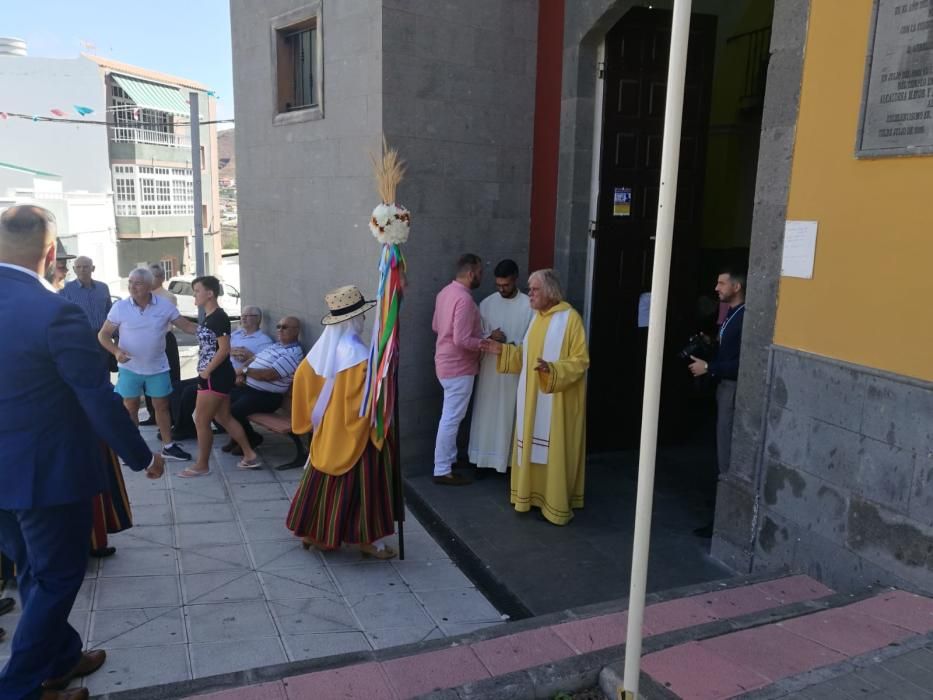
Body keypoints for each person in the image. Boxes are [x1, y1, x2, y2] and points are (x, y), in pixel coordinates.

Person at [0, 204, 164, 700]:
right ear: (52, 253)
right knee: (57, 577)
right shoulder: (56, 312)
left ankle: (61, 658)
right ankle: (20, 689)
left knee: (33, 569)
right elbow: (95, 396)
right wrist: (142, 455)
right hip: (44, 476)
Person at [286, 285, 397, 559]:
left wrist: (314, 410)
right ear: (351, 319)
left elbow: (303, 376)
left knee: (324, 478)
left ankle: (317, 533)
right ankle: (367, 540)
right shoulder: (356, 354)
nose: (363, 321)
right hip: (354, 430)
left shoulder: (327, 347)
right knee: (363, 484)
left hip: (330, 427)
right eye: (360, 316)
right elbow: (365, 397)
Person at [480, 269, 589, 526]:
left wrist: (553, 370)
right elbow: (527, 357)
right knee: (529, 445)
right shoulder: (537, 319)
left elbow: (580, 361)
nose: (530, 294)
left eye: (535, 289)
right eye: (529, 288)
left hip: (557, 401)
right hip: (532, 399)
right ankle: (529, 496)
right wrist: (503, 351)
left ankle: (554, 504)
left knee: (553, 449)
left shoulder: (570, 319)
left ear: (550, 291)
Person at [98, 267, 195, 462]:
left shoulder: (164, 306)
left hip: (157, 367)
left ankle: (168, 446)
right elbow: (103, 334)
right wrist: (116, 351)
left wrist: (215, 331)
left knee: (162, 406)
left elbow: (187, 326)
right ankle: (134, 447)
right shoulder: (120, 307)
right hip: (130, 368)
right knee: (130, 406)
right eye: (130, 283)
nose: (132, 287)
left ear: (150, 286)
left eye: (138, 283)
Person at [177, 275, 261, 477]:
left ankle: (202, 465)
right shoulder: (210, 317)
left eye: (197, 291)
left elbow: (224, 349)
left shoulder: (219, 318)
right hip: (216, 375)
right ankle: (249, 455)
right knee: (223, 417)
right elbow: (203, 339)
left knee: (200, 420)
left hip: (214, 377)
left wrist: (205, 373)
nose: (194, 295)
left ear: (210, 293)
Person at [688, 267, 747, 536]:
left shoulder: (745, 316)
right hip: (723, 388)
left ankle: (722, 522)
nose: (716, 288)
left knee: (726, 452)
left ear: (736, 287)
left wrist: (709, 367)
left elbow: (743, 362)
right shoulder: (730, 314)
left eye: (722, 283)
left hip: (731, 389)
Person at [467, 259, 534, 475]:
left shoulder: (528, 305)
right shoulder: (486, 304)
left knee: (509, 414)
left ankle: (507, 462)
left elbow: (532, 338)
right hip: (490, 370)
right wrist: (489, 336)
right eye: (498, 285)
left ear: (516, 278)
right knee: (486, 413)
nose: (501, 289)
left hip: (514, 370)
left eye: (505, 285)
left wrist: (512, 345)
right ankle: (483, 459)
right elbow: (475, 334)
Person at [171, 305, 274, 441]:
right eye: (242, 315)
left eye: (248, 315)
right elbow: (222, 348)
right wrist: (231, 351)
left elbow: (263, 362)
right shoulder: (236, 334)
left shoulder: (264, 341)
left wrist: (249, 356)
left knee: (190, 392)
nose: (243, 318)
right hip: (218, 371)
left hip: (234, 378)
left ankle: (185, 429)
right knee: (176, 387)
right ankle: (183, 426)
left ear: (258, 319)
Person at [431, 253, 485, 486]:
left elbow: (436, 326)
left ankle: (449, 460)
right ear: (471, 273)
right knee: (452, 418)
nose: (482, 276)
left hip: (445, 362)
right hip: (459, 366)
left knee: (452, 416)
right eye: (480, 272)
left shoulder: (445, 292)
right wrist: (486, 343)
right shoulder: (464, 299)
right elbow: (462, 339)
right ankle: (442, 469)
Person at [224, 317, 303, 454]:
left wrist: (243, 371)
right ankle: (237, 437)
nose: (280, 330)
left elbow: (269, 375)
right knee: (220, 402)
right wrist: (241, 374)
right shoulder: (276, 346)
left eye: (285, 327)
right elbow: (253, 359)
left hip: (268, 397)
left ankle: (252, 438)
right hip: (249, 389)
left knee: (234, 411)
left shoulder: (293, 353)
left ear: (296, 331)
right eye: (278, 326)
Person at [142, 263, 181, 426]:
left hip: (164, 340)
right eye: (149, 276)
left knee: (169, 377)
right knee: (146, 375)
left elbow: (167, 320)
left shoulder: (167, 296)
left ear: (162, 278)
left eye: (155, 276)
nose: (152, 279)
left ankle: (172, 414)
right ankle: (152, 414)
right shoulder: (141, 295)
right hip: (146, 341)